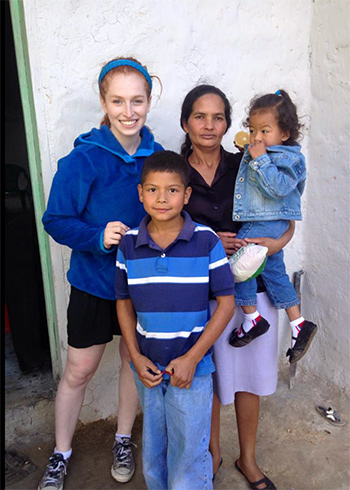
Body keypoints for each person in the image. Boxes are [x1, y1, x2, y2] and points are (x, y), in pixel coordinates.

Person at [39, 57, 163, 490]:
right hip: (94, 283)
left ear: (149, 101)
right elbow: (54, 219)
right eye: (118, 101)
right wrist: (97, 235)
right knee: (79, 370)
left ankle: (123, 439)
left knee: (134, 363)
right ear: (104, 102)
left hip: (140, 287)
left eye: (137, 101)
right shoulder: (84, 159)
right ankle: (61, 453)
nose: (129, 112)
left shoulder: (157, 156)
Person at [180, 84, 296, 490]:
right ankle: (211, 455)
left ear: (230, 124)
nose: (209, 125)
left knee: (248, 376)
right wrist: (210, 238)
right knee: (208, 377)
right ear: (185, 122)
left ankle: (248, 459)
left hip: (254, 286)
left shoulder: (249, 161)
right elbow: (164, 226)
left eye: (218, 117)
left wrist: (279, 242)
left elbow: (283, 210)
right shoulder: (175, 173)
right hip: (201, 291)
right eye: (200, 116)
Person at [115, 150, 235, 490]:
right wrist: (136, 357)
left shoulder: (206, 240)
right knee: (154, 450)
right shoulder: (128, 245)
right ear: (140, 194)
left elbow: (226, 304)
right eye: (152, 189)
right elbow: (123, 302)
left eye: (172, 190)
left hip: (191, 372)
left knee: (189, 454)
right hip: (147, 370)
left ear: (187, 194)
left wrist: (192, 358)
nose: (162, 198)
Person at [229, 90, 317, 364]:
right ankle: (298, 323)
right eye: (253, 130)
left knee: (239, 267)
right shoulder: (266, 151)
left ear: (285, 134)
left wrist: (259, 159)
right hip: (270, 222)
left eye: (265, 130)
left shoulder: (286, 158)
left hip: (264, 220)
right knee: (275, 271)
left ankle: (251, 318)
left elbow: (278, 188)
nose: (256, 137)